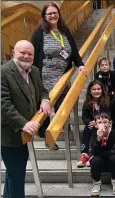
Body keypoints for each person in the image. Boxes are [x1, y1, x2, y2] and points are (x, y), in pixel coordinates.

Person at [31, 2, 87, 149]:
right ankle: (48, 138)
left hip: (63, 75)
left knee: (64, 105)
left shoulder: (64, 30)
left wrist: (80, 64)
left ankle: (62, 127)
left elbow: (73, 50)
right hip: (46, 74)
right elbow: (34, 55)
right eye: (49, 13)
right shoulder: (39, 33)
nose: (53, 15)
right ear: (44, 16)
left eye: (55, 12)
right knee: (46, 108)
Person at [1, 40, 52, 198]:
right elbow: (4, 104)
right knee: (16, 175)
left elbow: (43, 90)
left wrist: (45, 100)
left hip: (26, 133)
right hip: (10, 133)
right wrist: (24, 124)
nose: (26, 56)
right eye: (23, 52)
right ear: (14, 52)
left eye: (30, 54)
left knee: (13, 173)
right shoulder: (3, 72)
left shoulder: (34, 71)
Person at [77, 80, 110, 167]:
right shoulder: (87, 103)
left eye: (98, 89)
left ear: (102, 90)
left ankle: (93, 155)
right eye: (94, 89)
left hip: (104, 125)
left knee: (98, 129)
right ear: (90, 91)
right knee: (88, 128)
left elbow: (108, 115)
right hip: (92, 125)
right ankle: (85, 154)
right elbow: (84, 117)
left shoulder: (106, 102)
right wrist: (90, 122)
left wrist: (99, 123)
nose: (96, 91)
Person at [89, 112, 115, 196]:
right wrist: (99, 139)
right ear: (96, 125)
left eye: (105, 122)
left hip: (111, 162)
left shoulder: (114, 134)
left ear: (109, 123)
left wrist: (100, 153)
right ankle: (97, 183)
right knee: (94, 160)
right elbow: (93, 152)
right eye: (100, 122)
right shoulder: (94, 135)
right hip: (99, 162)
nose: (103, 125)